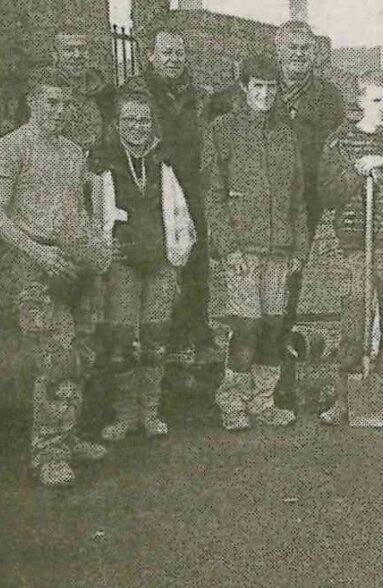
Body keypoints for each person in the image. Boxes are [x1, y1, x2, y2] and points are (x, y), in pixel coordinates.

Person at [0, 67, 114, 487]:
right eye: (51, 103)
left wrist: (97, 251)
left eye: (67, 104)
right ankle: (49, 452)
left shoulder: (74, 153)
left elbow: (78, 211)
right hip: (36, 263)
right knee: (56, 359)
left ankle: (67, 434)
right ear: (31, 102)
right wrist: (39, 252)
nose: (60, 111)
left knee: (83, 354)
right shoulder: (8, 149)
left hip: (77, 263)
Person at [203, 54, 306, 430]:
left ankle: (263, 401)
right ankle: (232, 402)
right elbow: (212, 195)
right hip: (243, 249)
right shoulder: (222, 129)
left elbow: (298, 199)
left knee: (272, 329)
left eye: (271, 87)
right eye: (257, 87)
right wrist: (228, 247)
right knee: (245, 328)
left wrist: (299, 248)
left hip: (280, 249)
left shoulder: (285, 134)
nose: (265, 94)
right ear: (244, 88)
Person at [318, 70, 383, 426]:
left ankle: (381, 398)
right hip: (354, 244)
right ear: (359, 102)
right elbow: (327, 194)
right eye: (376, 101)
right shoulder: (339, 142)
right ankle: (345, 399)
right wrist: (356, 174)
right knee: (355, 322)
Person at [89, 87, 180, 442]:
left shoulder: (164, 159)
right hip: (122, 261)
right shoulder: (102, 161)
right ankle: (124, 414)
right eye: (129, 120)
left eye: (144, 120)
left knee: (156, 338)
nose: (137, 127)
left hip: (161, 260)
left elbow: (181, 208)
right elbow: (94, 211)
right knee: (122, 339)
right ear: (117, 123)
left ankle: (151, 412)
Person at [272, 21, 346, 405]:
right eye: (292, 47)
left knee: (289, 280)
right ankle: (260, 376)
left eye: (306, 48)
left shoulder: (328, 97)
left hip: (306, 204)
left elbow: (336, 151)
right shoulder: (263, 89)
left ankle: (283, 374)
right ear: (278, 49)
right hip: (265, 202)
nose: (299, 54)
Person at [138, 30, 217, 361]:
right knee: (160, 263)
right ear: (152, 57)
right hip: (154, 187)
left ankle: (197, 332)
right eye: (167, 54)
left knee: (196, 262)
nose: (174, 60)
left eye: (179, 53)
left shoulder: (198, 95)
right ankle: (161, 338)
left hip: (191, 186)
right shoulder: (139, 91)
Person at [17, 27, 115, 150]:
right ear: (55, 54)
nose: (77, 55)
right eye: (69, 50)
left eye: (82, 49)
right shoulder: (39, 95)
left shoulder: (106, 94)